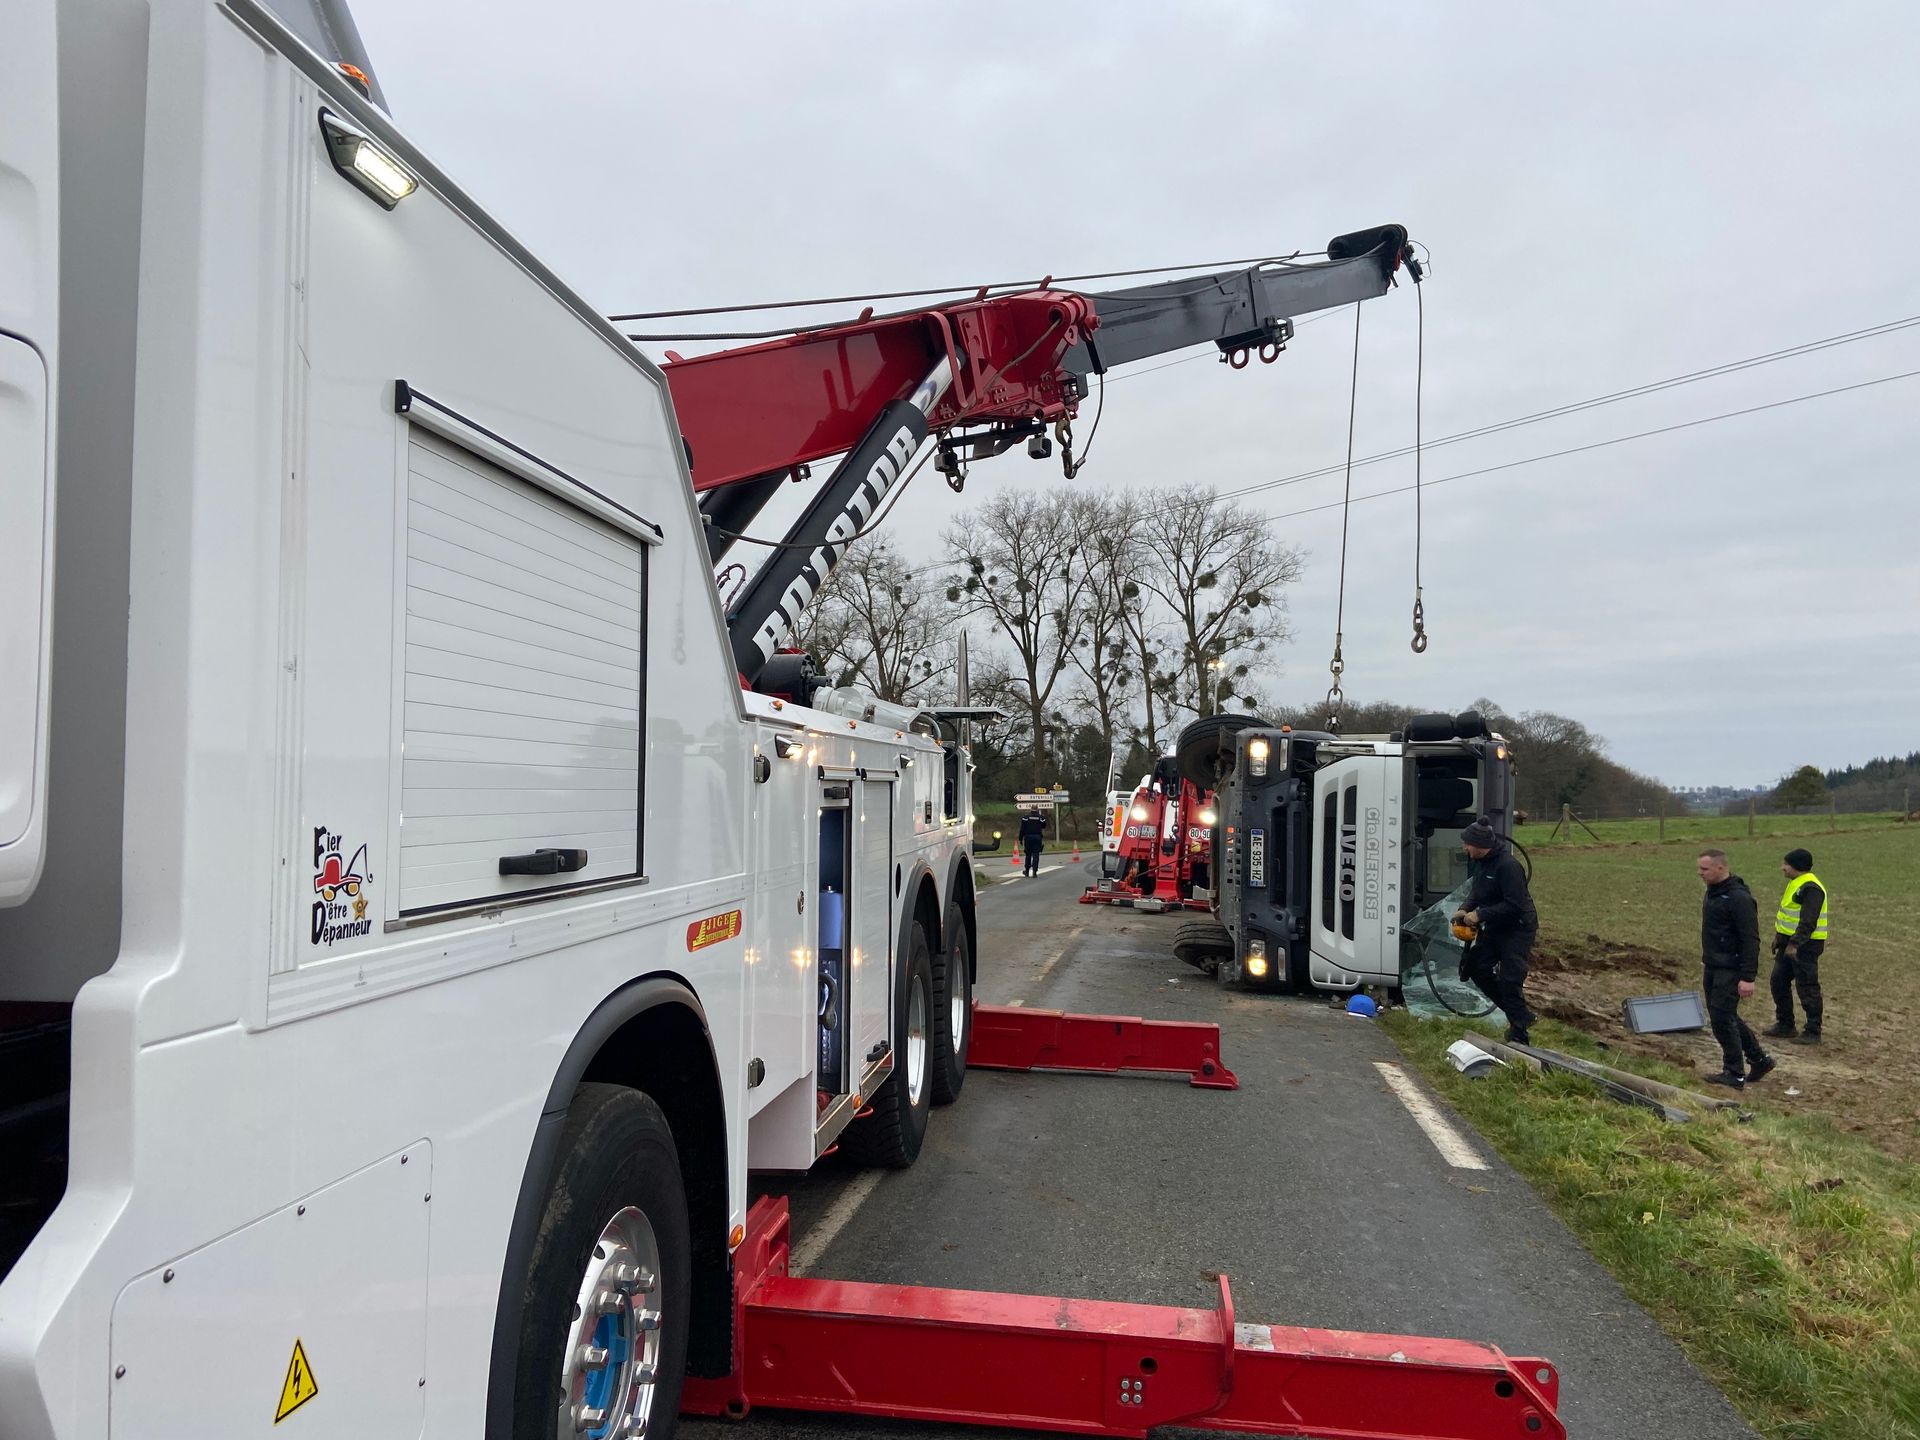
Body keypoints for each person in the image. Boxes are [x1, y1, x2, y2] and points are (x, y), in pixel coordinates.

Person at [1454, 816, 1538, 1044]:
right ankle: (1520, 1015)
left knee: (1510, 979)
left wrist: (1480, 915)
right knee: (1476, 967)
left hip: (1518, 928)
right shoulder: (1481, 863)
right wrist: (1464, 909)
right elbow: (1477, 891)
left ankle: (1519, 1034)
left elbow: (1515, 904)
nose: (1464, 848)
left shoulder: (1508, 866)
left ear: (1479, 845)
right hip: (1496, 926)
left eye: (1467, 844)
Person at [1696, 848, 1775, 1088]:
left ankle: (1734, 1073)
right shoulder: (1713, 893)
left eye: (1704, 869)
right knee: (1723, 1014)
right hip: (1713, 964)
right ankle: (1759, 1059)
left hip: (1730, 968)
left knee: (1721, 1017)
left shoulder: (1739, 899)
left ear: (1720, 868)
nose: (1700, 873)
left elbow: (1750, 939)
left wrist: (1748, 977)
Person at [1766, 847, 1829, 1045]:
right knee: (1778, 981)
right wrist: (1779, 938)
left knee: (1807, 986)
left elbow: (1808, 921)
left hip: (1805, 946)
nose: (1782, 868)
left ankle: (1813, 1030)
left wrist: (1794, 944)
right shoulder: (1796, 883)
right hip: (1789, 944)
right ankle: (1785, 1025)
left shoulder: (1811, 888)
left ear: (1796, 866)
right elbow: (1788, 915)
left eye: (1786, 864)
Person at [1018, 808, 1047, 877]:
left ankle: (1027, 871)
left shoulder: (1026, 817)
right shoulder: (1041, 817)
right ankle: (1034, 871)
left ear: (1031, 809)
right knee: (1036, 854)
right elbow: (1044, 826)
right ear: (1037, 809)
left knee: (1028, 855)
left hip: (1028, 837)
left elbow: (1022, 829)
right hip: (1037, 837)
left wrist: (1020, 839)